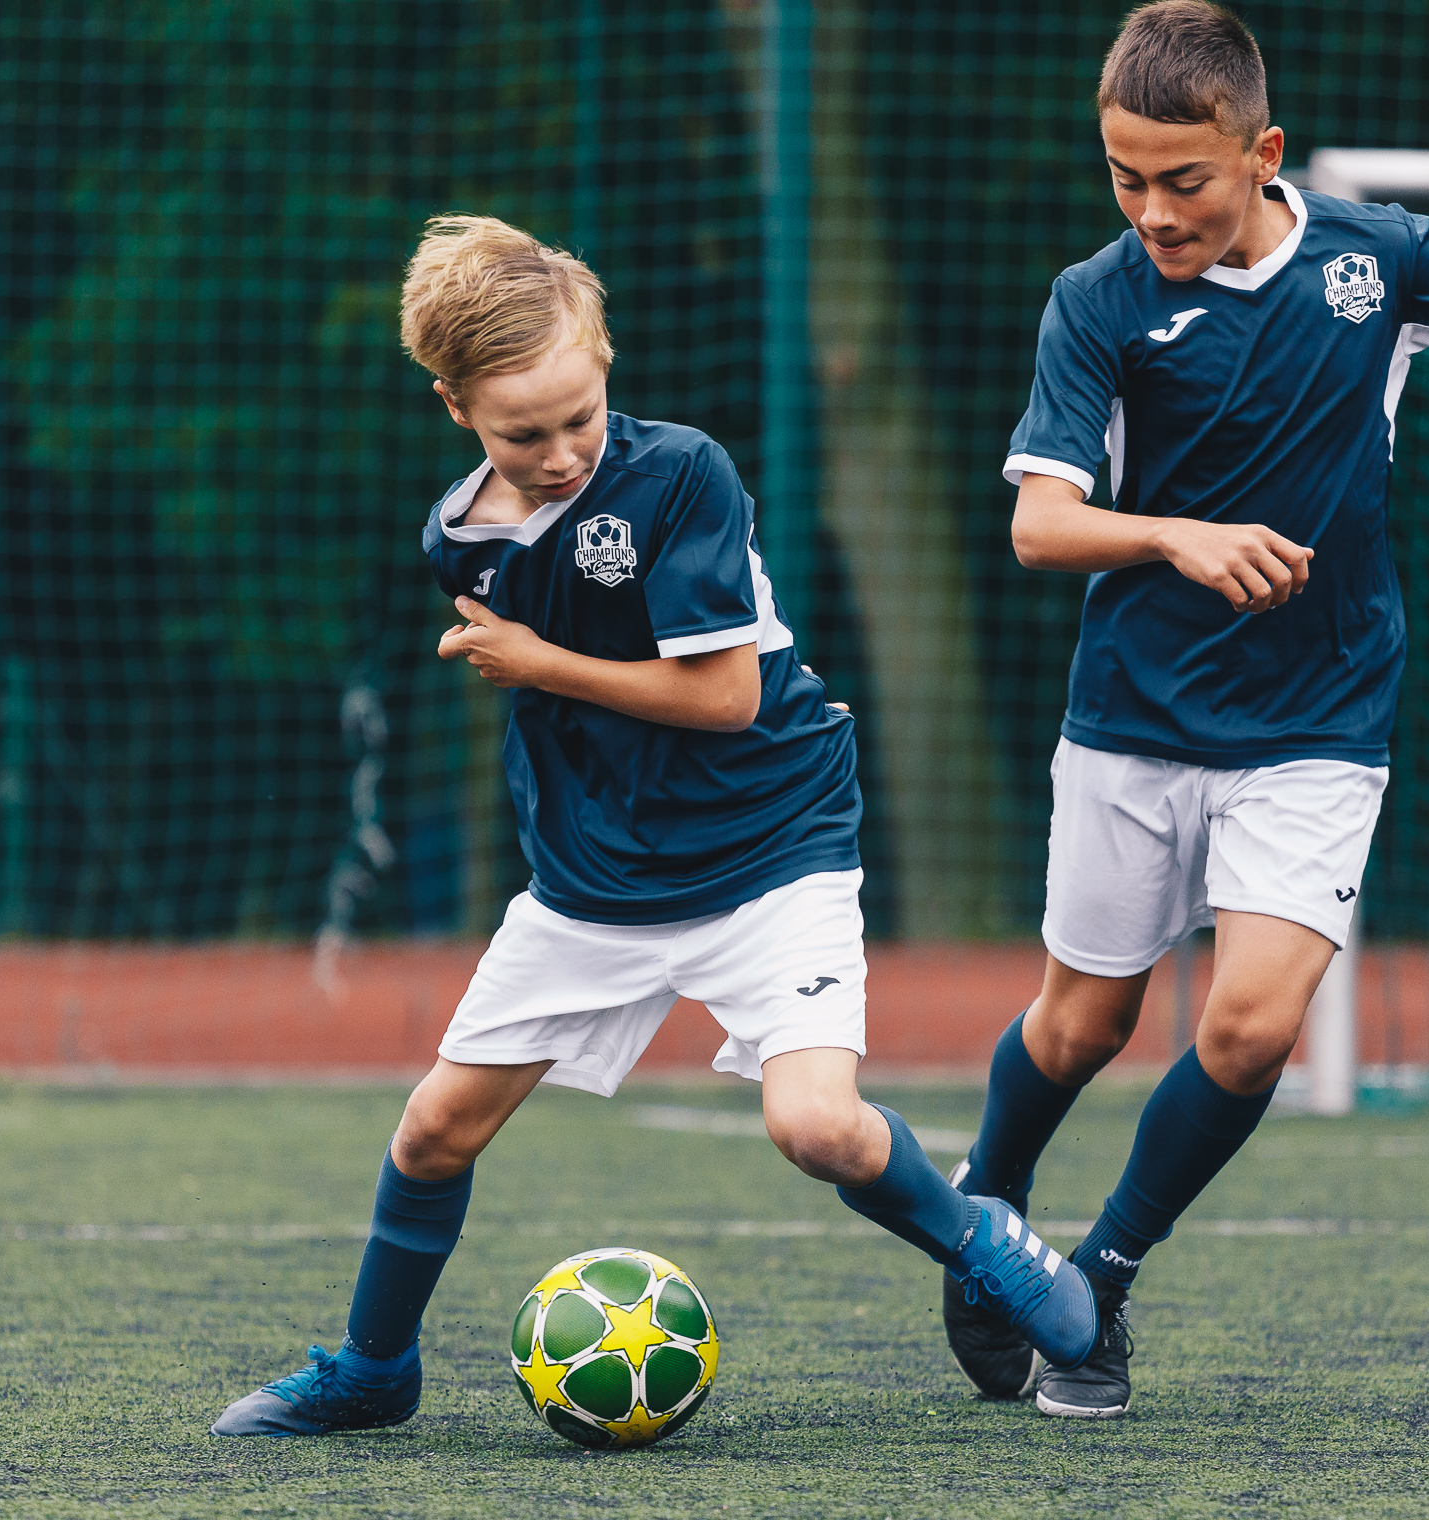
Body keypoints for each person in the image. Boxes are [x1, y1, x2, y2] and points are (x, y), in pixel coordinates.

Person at [211, 215, 1095, 1437]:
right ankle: (374, 1368)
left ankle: (979, 1237)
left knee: (817, 1126)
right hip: (600, 880)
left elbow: (724, 698)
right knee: (431, 1130)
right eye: (523, 433)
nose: (562, 452)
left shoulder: (683, 473)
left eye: (580, 417)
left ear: (605, 362)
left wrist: (538, 661)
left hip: (769, 843)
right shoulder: (455, 537)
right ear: (455, 406)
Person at [944, 0, 1429, 1420]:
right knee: (1082, 1025)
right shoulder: (1097, 301)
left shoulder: (1381, 257)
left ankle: (1099, 1285)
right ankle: (986, 1210)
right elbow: (1038, 525)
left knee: (1254, 1026)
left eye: (1183, 180)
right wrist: (1177, 535)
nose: (1152, 210)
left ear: (1262, 155)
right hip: (1135, 716)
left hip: (1322, 716)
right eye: (1124, 177)